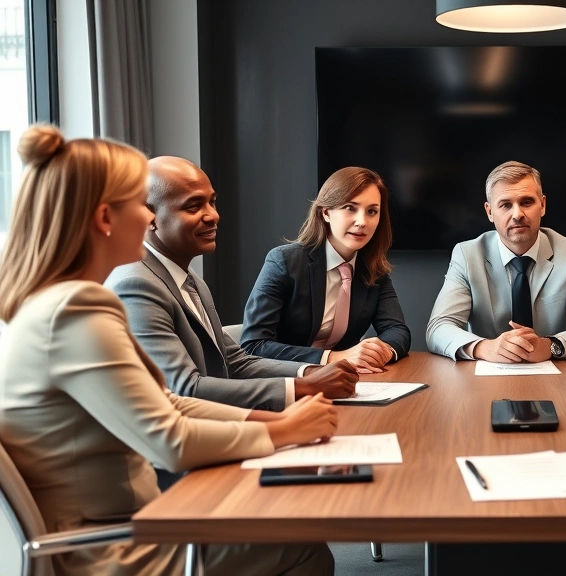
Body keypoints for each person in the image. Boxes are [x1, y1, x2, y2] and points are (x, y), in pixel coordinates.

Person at [0, 125, 336, 575]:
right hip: (110, 550)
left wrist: (276, 420)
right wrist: (283, 433)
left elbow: (165, 402)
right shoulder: (76, 310)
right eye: (139, 207)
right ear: (105, 218)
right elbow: (170, 443)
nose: (148, 220)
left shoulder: (57, 302)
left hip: (122, 526)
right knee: (303, 544)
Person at [107, 156, 358, 411]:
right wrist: (305, 387)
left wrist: (312, 372)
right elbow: (185, 388)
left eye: (212, 202)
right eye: (193, 207)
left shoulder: (191, 280)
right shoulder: (136, 285)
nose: (213, 215)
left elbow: (233, 361)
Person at [426, 160, 566, 362]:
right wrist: (485, 347)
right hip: (485, 377)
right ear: (489, 212)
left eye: (526, 202)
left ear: (543, 205)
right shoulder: (467, 255)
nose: (517, 215)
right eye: (505, 205)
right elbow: (439, 327)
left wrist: (550, 346)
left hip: (557, 375)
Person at [241, 166, 411, 373]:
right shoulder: (284, 261)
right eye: (350, 208)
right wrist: (332, 357)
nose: (362, 221)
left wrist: (381, 351)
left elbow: (397, 330)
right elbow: (254, 345)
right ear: (326, 213)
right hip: (285, 381)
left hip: (344, 381)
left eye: (372, 211)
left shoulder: (374, 270)